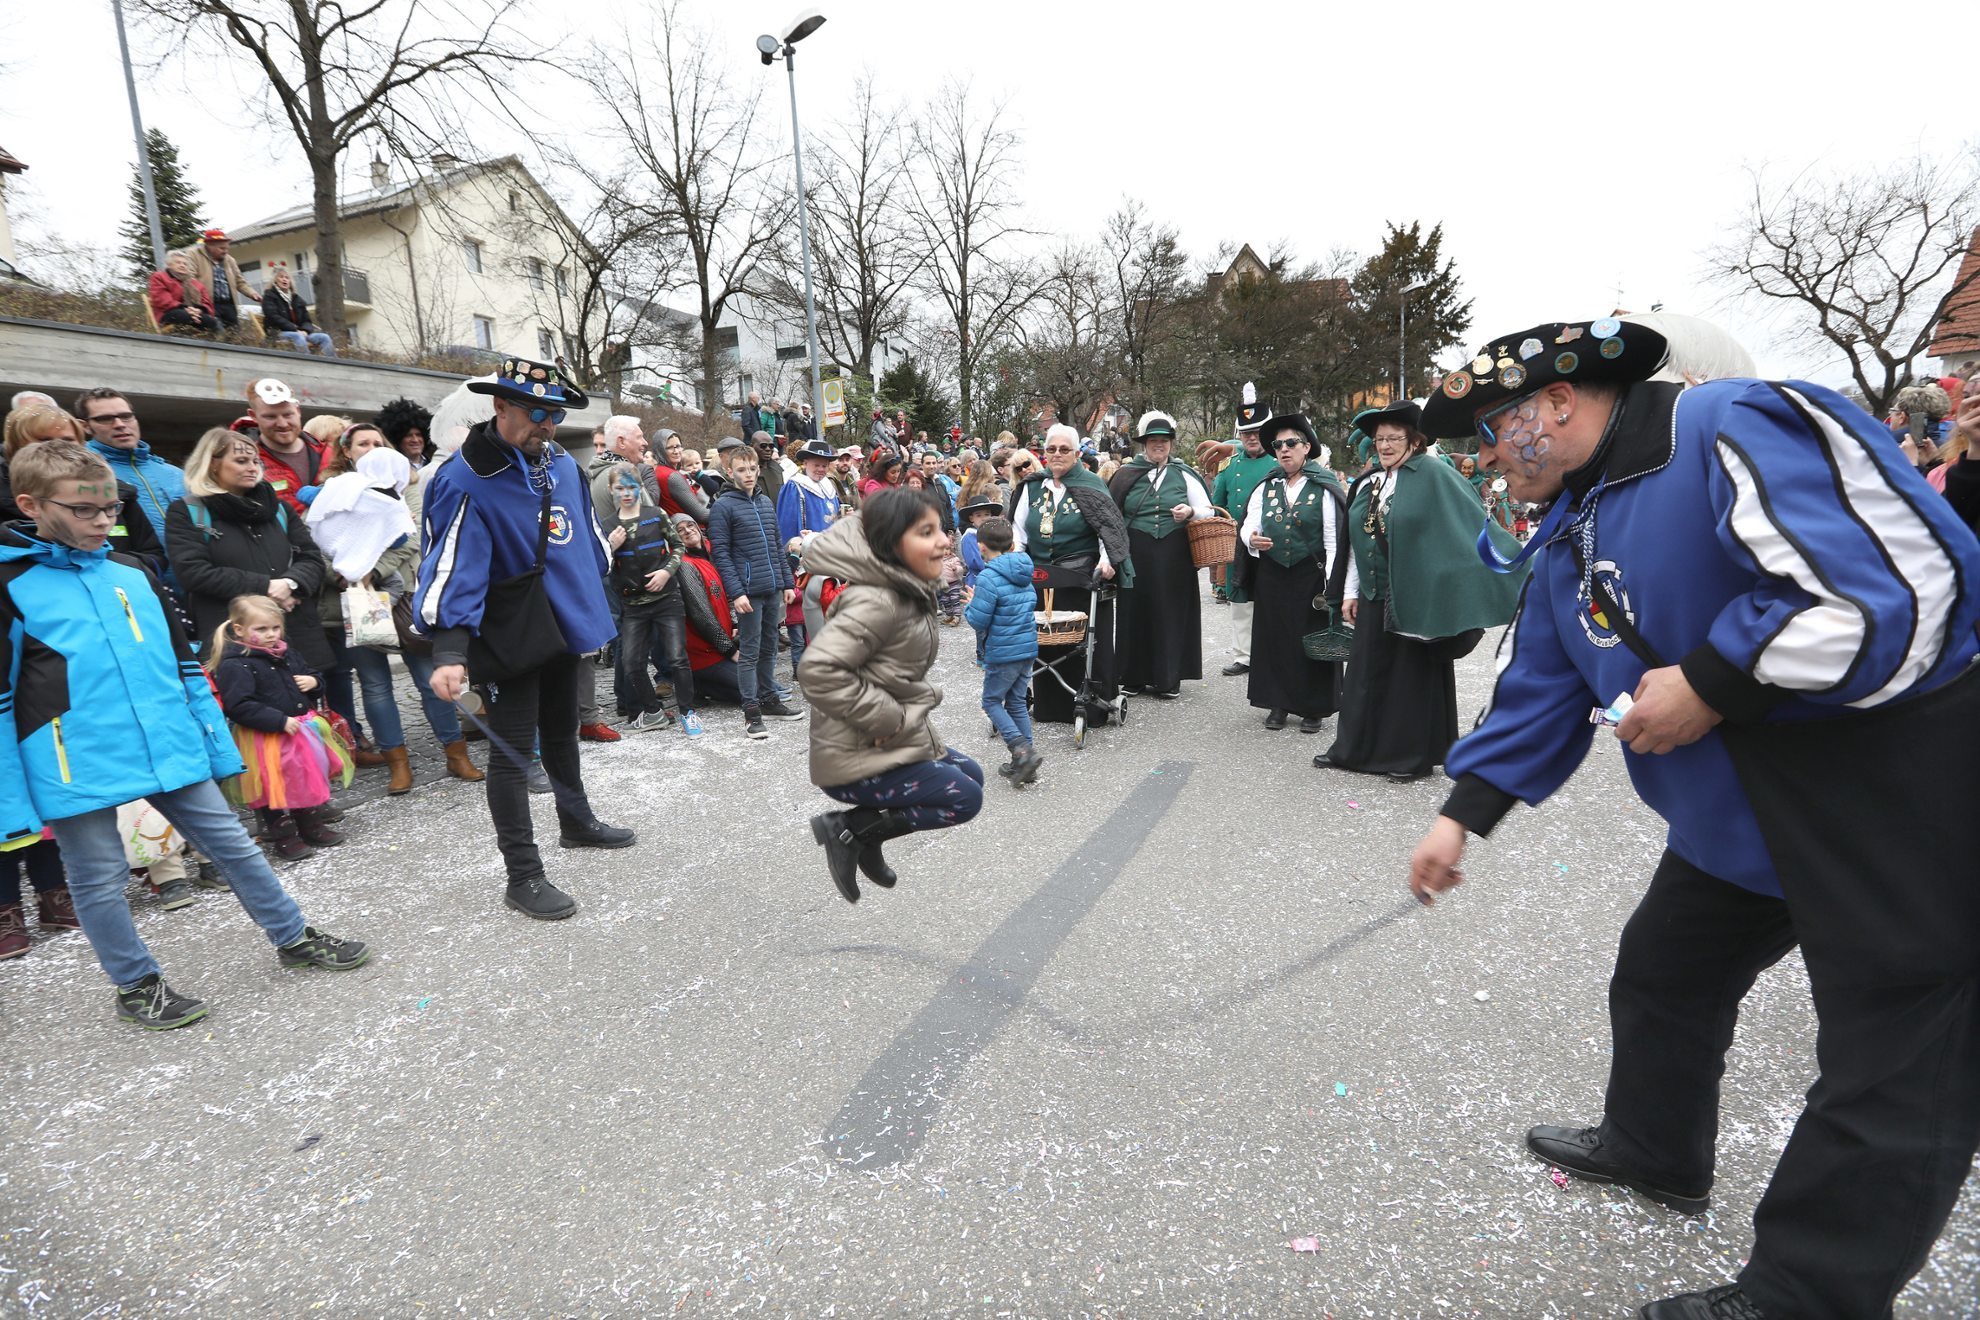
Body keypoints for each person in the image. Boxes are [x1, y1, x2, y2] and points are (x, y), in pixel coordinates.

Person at [1406, 318, 1980, 1319]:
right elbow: (1544, 682)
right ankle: (1656, 1150)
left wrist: (1714, 680)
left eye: (1493, 430)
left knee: (1894, 1059)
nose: (1485, 458)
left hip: (1885, 798)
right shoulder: (1571, 524)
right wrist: (1463, 815)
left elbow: (1900, 584)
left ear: (1559, 402)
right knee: (1666, 970)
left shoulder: (1732, 425)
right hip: (1740, 817)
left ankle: (1808, 1295)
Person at [1, 441, 369, 1029]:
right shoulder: (9, 581)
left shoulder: (134, 571)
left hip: (169, 744)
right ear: (30, 505)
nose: (103, 521)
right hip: (75, 762)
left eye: (111, 508)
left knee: (234, 846)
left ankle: (294, 936)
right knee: (99, 878)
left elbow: (187, 667)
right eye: (83, 510)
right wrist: (12, 802)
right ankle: (135, 984)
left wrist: (217, 748)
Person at [414, 357, 636, 921]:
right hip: (510, 630)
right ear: (501, 407)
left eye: (555, 415)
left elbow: (584, 536)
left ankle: (576, 821)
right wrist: (449, 651)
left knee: (562, 730)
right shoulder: (463, 478)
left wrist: (594, 589)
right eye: (536, 413)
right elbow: (452, 566)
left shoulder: (560, 461)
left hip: (563, 622)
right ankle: (523, 875)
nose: (548, 425)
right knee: (514, 755)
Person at [1318, 400, 1525, 780]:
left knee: (1410, 681)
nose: (1384, 445)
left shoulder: (1435, 475)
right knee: (1363, 676)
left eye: (1393, 438)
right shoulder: (1370, 481)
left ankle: (1410, 757)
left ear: (1414, 441)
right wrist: (1349, 591)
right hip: (1373, 596)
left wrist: (1517, 563)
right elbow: (1356, 541)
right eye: (1379, 439)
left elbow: (1466, 530)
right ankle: (1351, 750)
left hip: (1416, 597)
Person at [799, 488, 986, 903]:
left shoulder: (905, 587)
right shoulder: (878, 600)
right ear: (892, 543)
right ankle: (849, 830)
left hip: (887, 737)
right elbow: (818, 671)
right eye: (926, 532)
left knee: (971, 774)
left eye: (940, 529)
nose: (945, 541)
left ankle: (868, 835)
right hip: (856, 757)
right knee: (963, 798)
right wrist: (886, 717)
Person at [306, 434, 482, 787]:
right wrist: (344, 575)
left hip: (406, 599)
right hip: (356, 601)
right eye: (363, 444)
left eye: (377, 443)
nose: (371, 450)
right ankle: (397, 763)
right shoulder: (333, 493)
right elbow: (316, 545)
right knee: (374, 686)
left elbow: (416, 536)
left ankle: (456, 753)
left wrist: (372, 570)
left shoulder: (407, 488)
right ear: (347, 453)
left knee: (429, 679)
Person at [164, 427, 335, 680]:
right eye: (241, 461)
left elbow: (311, 558)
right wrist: (267, 587)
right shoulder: (187, 512)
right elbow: (194, 572)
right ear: (212, 464)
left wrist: (290, 584)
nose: (252, 467)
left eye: (256, 461)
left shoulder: (279, 509)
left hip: (297, 636)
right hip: (235, 644)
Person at [207, 594, 352, 858]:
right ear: (239, 629)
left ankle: (310, 824)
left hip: (299, 732)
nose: (271, 634)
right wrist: (278, 720)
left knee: (301, 779)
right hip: (264, 739)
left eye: (275, 627)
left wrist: (314, 682)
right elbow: (238, 705)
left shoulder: (287, 653)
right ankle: (283, 834)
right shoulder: (235, 664)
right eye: (261, 629)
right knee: (271, 785)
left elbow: (311, 674)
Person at [1009, 422, 1131, 725]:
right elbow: (1018, 531)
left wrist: (1107, 562)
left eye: (1064, 449)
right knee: (1044, 642)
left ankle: (1091, 703)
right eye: (1051, 449)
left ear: (1077, 453)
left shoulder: (1092, 485)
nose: (1057, 454)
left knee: (1083, 645)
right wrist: (1014, 559)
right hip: (1040, 579)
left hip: (1080, 579)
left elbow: (1107, 530)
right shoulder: (1032, 486)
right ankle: (1049, 706)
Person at [1232, 413, 1347, 734]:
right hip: (1272, 572)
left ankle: (1314, 707)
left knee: (1311, 639)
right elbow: (1248, 524)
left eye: (1291, 443)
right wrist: (1252, 539)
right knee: (1275, 638)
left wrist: (1334, 584)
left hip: (1311, 575)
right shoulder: (1267, 485)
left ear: (1306, 447)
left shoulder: (1323, 485)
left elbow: (1333, 539)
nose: (1283, 449)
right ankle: (1278, 703)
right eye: (1278, 445)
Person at [1106, 411, 1211, 699]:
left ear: (1171, 443)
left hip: (1174, 553)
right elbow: (1111, 514)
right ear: (1144, 443)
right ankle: (1133, 676)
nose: (1159, 445)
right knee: (1134, 612)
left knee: (1171, 612)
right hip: (1136, 552)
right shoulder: (1126, 474)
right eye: (1153, 440)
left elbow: (1207, 511)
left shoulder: (1184, 474)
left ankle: (1169, 677)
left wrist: (1190, 511)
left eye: (1164, 440)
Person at [1, 406, 167, 579]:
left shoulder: (120, 492)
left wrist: (113, 571)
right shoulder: (11, 575)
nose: (58, 447)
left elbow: (152, 554)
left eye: (67, 440)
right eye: (44, 440)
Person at [708, 440, 801, 739]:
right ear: (729, 471)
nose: (748, 474)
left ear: (758, 469)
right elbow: (721, 554)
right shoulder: (723, 506)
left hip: (772, 587)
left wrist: (787, 582)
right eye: (741, 470)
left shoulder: (764, 503)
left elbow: (776, 545)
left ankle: (769, 698)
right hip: (748, 592)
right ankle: (751, 711)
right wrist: (736, 593)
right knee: (749, 650)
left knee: (769, 646)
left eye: (751, 468)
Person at [602, 461, 700, 736]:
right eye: (620, 488)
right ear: (611, 490)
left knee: (677, 658)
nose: (626, 493)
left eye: (631, 487)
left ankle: (688, 712)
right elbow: (599, 565)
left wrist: (666, 572)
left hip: (667, 599)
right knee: (631, 663)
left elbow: (678, 546)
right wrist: (610, 547)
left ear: (639, 487)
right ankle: (653, 712)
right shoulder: (607, 526)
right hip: (633, 605)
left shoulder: (656, 515)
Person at [964, 516, 1042, 784]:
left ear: (981, 547)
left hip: (1003, 651)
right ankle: (1026, 764)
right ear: (1011, 545)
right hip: (1027, 648)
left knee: (991, 702)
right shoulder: (1024, 571)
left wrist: (971, 604)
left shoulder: (988, 577)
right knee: (1017, 702)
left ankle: (1021, 752)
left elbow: (978, 621)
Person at [1212, 384, 1281, 676]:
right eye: (1246, 433)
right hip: (1238, 545)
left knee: (1271, 600)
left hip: (1272, 544)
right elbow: (1217, 507)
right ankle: (1244, 656)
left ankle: (1272, 654)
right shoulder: (1228, 467)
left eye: (1257, 432)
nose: (1251, 438)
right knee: (1240, 600)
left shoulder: (1280, 463)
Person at [76, 389, 185, 550]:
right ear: (85, 426)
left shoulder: (175, 474)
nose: (120, 424)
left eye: (126, 416)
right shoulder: (79, 471)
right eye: (105, 419)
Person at [778, 437, 843, 673]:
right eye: (816, 464)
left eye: (825, 465)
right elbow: (787, 529)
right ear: (805, 463)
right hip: (809, 563)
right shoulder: (795, 487)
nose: (821, 469)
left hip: (833, 560)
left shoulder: (830, 488)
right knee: (814, 615)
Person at [675, 513, 743, 704]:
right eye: (680, 530)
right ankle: (700, 684)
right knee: (752, 690)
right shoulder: (685, 565)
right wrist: (731, 651)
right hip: (705, 653)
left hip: (721, 644)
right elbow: (702, 616)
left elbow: (726, 595)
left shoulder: (708, 554)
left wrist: (734, 623)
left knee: (761, 682)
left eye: (690, 525)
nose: (687, 531)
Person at [243, 378, 324, 519]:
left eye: (287, 414)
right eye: (270, 416)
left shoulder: (331, 454)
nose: (282, 424)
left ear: (298, 410)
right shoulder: (245, 466)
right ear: (253, 416)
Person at [173, 228, 247, 330]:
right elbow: (189, 278)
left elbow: (240, 281)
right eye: (222, 248)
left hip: (229, 305)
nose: (225, 251)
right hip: (208, 304)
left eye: (226, 248)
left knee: (234, 332)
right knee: (216, 331)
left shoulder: (230, 260)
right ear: (210, 245)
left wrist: (253, 294)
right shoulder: (193, 254)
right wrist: (198, 302)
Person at [259, 267, 336, 356]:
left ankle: (333, 362)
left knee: (324, 337)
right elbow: (273, 316)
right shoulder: (269, 297)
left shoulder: (297, 299)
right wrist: (295, 329)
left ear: (290, 281)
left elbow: (306, 320)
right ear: (275, 280)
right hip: (278, 333)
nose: (284, 279)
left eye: (287, 277)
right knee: (298, 337)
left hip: (300, 332)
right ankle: (307, 362)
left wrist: (305, 330)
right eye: (281, 277)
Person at [147, 252, 219, 335]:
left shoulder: (196, 284)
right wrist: (186, 309)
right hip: (168, 312)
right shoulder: (159, 277)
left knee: (212, 322)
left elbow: (207, 303)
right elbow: (162, 299)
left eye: (185, 264)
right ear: (169, 265)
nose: (182, 265)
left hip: (195, 313)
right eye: (178, 262)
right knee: (184, 316)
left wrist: (199, 310)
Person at [377, 397, 434, 467]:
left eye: (418, 435)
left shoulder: (437, 467)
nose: (415, 440)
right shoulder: (388, 467)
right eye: (408, 435)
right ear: (396, 439)